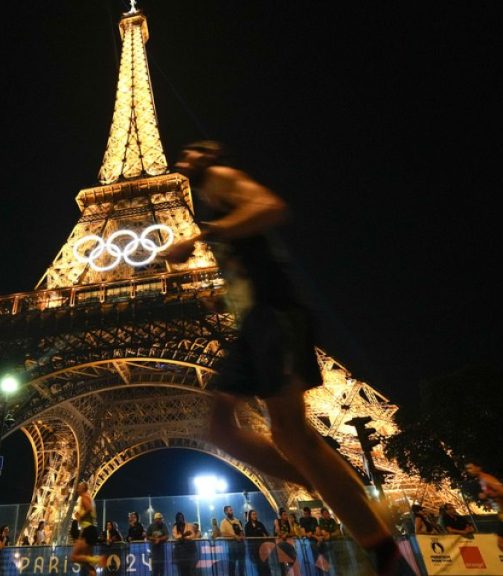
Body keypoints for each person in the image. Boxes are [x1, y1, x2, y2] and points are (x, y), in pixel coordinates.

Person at [167, 141, 404, 576]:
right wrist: (218, 297)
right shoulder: (214, 202)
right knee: (222, 429)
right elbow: (247, 267)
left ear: (212, 155)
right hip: (253, 323)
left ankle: (382, 549)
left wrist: (201, 235)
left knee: (292, 436)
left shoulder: (223, 180)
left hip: (275, 314)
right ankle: (336, 490)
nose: (185, 159)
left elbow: (272, 207)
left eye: (194, 153)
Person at [69, 481, 105, 569]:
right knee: (88, 563)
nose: (77, 489)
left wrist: (80, 516)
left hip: (88, 530)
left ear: (83, 488)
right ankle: (95, 561)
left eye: (79, 487)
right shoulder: (89, 497)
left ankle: (98, 560)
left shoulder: (84, 497)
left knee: (74, 556)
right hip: (91, 529)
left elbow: (88, 509)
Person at [243, 510, 271, 576]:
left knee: (266, 565)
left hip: (262, 548)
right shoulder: (247, 525)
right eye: (253, 514)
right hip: (254, 549)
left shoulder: (260, 524)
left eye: (255, 514)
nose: (255, 516)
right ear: (250, 516)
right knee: (259, 566)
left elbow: (266, 533)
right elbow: (248, 536)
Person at [219, 506, 245, 576]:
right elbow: (223, 533)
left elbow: (241, 530)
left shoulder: (237, 520)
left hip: (240, 544)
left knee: (242, 564)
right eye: (230, 510)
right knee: (232, 564)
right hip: (231, 545)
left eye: (232, 510)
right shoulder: (223, 522)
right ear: (226, 512)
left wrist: (242, 535)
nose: (232, 511)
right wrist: (234, 536)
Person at [148, 512, 169, 576]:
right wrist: (154, 539)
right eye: (158, 519)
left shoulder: (163, 525)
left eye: (160, 519)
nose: (159, 520)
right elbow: (147, 536)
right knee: (154, 568)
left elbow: (167, 536)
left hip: (161, 549)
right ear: (155, 519)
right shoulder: (151, 526)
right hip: (154, 549)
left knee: (161, 567)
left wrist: (159, 539)